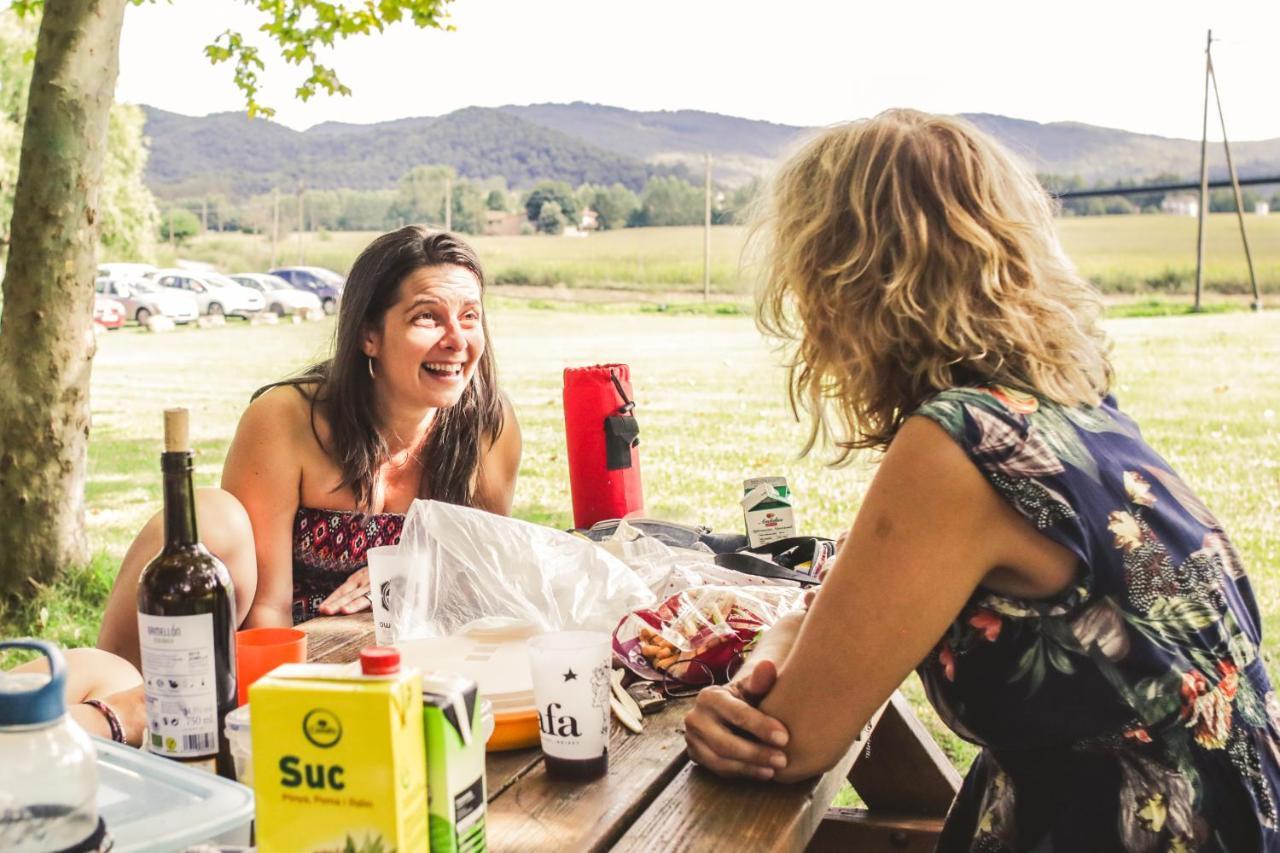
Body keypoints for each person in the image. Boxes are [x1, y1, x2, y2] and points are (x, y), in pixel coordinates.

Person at [683, 110, 1280, 851]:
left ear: (847, 281)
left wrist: (750, 674)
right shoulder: (1071, 405)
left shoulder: (955, 446)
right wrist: (785, 631)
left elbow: (788, 739)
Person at [97, 226, 522, 669]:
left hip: (416, 652)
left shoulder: (488, 425)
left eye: (470, 317)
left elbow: (486, 579)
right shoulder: (286, 418)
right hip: (290, 647)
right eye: (427, 317)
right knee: (210, 516)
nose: (456, 340)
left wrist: (411, 571)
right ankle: (114, 693)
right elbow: (266, 611)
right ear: (368, 335)